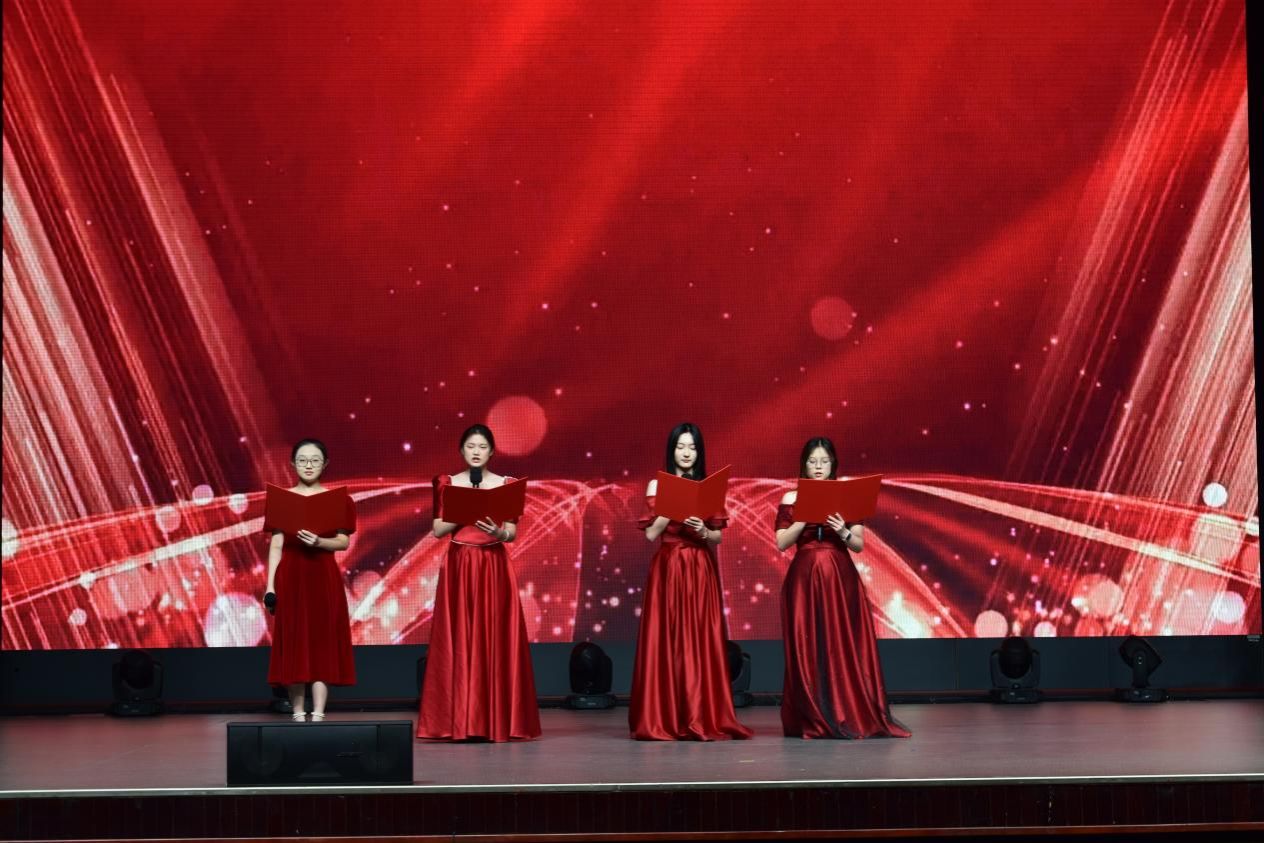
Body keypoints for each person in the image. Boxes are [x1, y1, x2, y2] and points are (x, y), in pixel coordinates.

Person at [775, 437, 910, 739]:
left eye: (824, 461)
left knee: (841, 643)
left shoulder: (846, 495)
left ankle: (844, 711)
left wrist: (842, 531)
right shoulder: (791, 497)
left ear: (833, 464)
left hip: (839, 574)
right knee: (806, 644)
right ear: (804, 465)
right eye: (812, 461)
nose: (818, 467)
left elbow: (858, 545)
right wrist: (803, 518)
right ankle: (811, 715)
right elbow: (782, 542)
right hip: (804, 576)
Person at [629, 422, 752, 740]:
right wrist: (670, 509)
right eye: (681, 446)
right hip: (669, 568)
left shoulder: (707, 486)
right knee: (667, 640)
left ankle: (700, 713)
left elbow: (717, 537)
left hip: (699, 566)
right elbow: (651, 534)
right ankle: (665, 717)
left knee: (700, 639)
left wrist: (703, 530)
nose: (686, 453)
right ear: (672, 450)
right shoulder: (657, 485)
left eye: (692, 447)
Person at [417, 424, 541, 741]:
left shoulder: (505, 484)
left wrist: (499, 532)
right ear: (462, 450)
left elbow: (511, 533)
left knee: (495, 636)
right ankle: (460, 720)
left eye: (482, 446)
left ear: (491, 451)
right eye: (470, 446)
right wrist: (464, 509)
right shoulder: (447, 483)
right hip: (460, 563)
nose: (476, 451)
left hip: (493, 564)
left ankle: (494, 719)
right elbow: (438, 530)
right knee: (459, 635)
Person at [264, 438, 357, 722]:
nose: (308, 465)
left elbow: (342, 542)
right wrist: (270, 586)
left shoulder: (339, 499)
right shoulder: (282, 499)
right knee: (294, 640)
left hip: (322, 575)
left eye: (315, 460)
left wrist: (319, 542)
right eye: (302, 460)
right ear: (292, 464)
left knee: (321, 640)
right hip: (291, 576)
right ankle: (297, 711)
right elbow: (276, 545)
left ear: (325, 464)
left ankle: (318, 712)